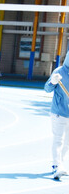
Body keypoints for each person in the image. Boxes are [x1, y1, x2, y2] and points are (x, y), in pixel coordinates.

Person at [44, 50, 69, 180]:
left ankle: (61, 163)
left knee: (67, 143)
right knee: (59, 139)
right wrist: (53, 81)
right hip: (59, 112)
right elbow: (47, 88)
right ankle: (56, 165)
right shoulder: (59, 71)